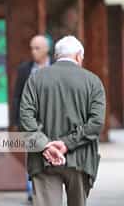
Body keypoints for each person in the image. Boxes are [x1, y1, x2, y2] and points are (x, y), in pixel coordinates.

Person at [19, 35, 106, 206]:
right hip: (80, 160)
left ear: (57, 56)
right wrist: (66, 144)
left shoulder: (35, 79)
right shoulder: (93, 82)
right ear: (78, 56)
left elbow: (25, 116)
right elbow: (96, 123)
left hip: (43, 160)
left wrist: (45, 145)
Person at [11, 35, 53, 202]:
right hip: (31, 122)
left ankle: (50, 189)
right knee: (32, 156)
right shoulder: (25, 69)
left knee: (50, 154)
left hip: (52, 120)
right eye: (32, 48)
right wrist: (16, 121)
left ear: (47, 49)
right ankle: (32, 190)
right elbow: (17, 96)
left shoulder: (55, 68)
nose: (34, 52)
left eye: (38, 48)